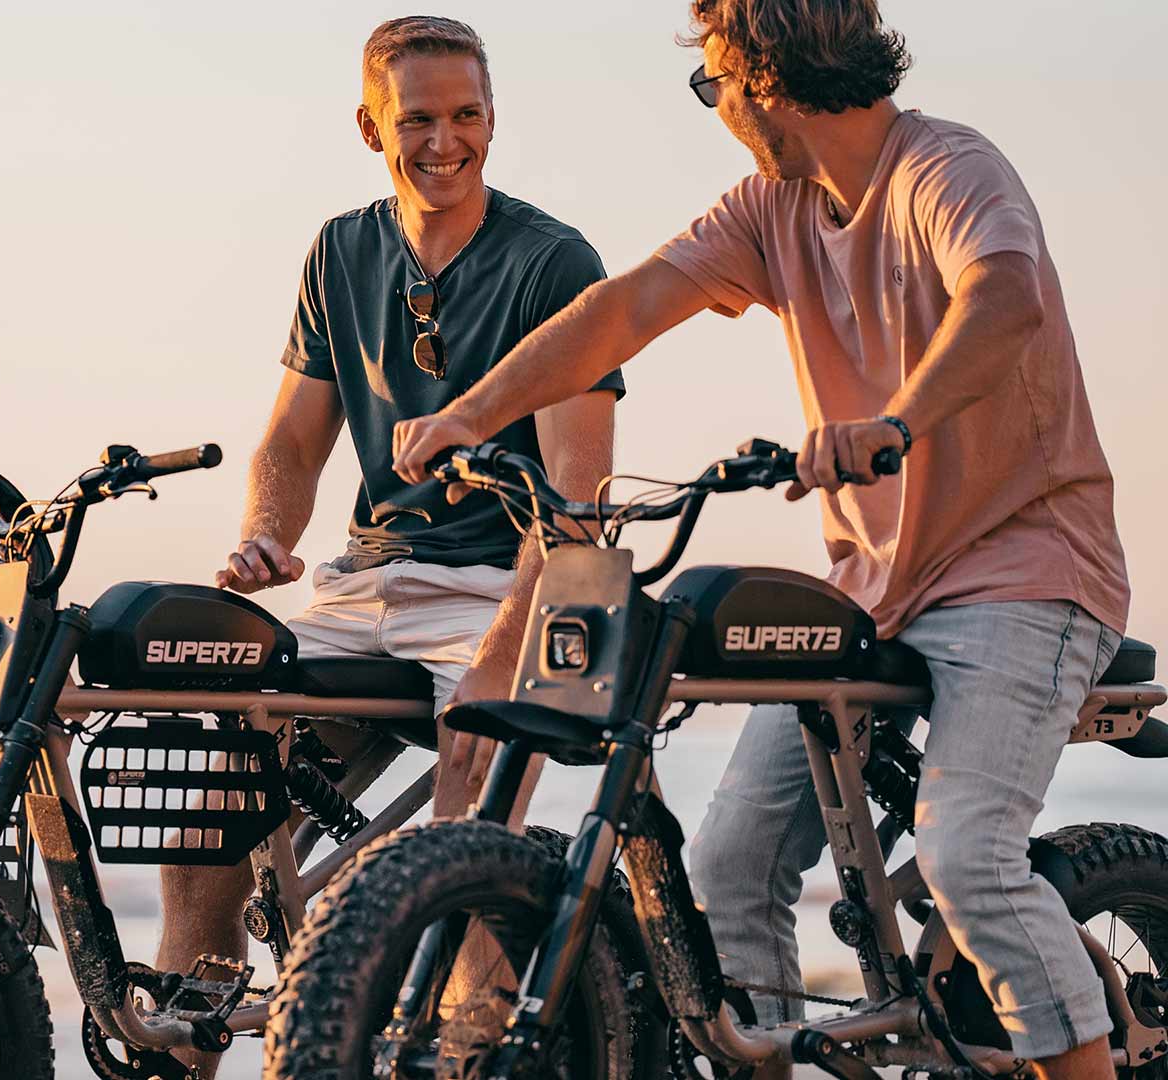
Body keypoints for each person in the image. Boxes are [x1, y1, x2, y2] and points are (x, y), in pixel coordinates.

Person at [391, 2, 1129, 1077]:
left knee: (970, 856)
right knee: (732, 866)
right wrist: (472, 410)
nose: (717, 110)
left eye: (713, 87)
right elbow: (623, 309)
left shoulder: (948, 172)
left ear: (763, 79)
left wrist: (899, 421)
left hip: (1028, 576)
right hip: (877, 589)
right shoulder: (773, 207)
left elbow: (1003, 294)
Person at [163, 16, 622, 1075]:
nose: (444, 141)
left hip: (501, 591)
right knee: (209, 811)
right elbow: (289, 438)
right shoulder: (341, 249)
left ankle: (469, 1053)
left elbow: (578, 501)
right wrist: (264, 538)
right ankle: (194, 1043)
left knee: (459, 853)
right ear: (372, 128)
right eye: (417, 119)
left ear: (493, 122)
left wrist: (515, 647)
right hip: (367, 584)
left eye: (467, 116)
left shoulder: (555, 262)